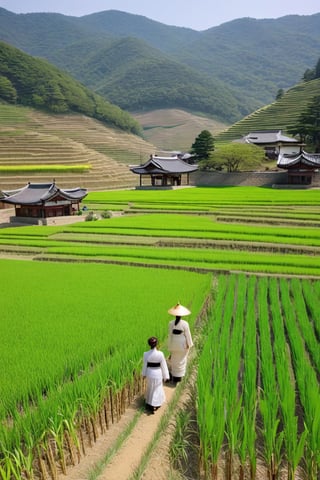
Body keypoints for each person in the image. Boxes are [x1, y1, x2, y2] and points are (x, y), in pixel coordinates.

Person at [142, 336, 170, 414]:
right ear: (156, 344)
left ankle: (150, 404)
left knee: (150, 388)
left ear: (149, 344)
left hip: (149, 373)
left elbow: (144, 365)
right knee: (157, 388)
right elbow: (163, 366)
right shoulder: (160, 354)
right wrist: (166, 376)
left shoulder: (146, 354)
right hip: (158, 373)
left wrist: (144, 374)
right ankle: (156, 404)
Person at [167, 302, 193, 383]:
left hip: (174, 343)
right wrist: (189, 344)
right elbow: (188, 335)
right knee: (181, 360)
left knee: (174, 360)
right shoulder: (185, 324)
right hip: (181, 345)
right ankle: (179, 378)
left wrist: (170, 346)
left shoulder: (170, 323)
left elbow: (170, 335)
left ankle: (174, 376)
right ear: (181, 315)